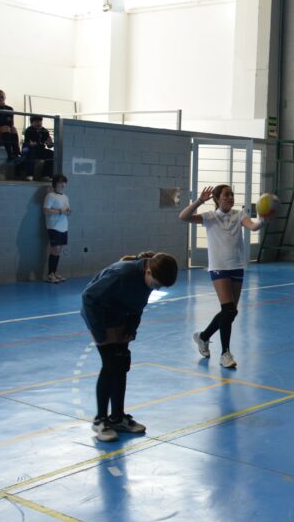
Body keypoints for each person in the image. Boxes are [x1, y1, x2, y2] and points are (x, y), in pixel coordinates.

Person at [81, 251, 178, 442]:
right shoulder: (121, 275)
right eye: (156, 284)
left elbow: (138, 304)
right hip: (100, 315)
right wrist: (100, 333)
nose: (157, 289)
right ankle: (100, 420)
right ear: (148, 272)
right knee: (110, 364)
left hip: (121, 315)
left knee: (122, 363)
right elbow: (89, 298)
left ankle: (118, 417)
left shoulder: (148, 278)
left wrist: (131, 328)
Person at [178, 185, 267, 369]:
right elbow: (183, 217)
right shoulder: (210, 217)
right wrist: (200, 201)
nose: (231, 198)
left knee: (232, 311)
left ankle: (203, 337)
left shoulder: (239, 214)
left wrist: (264, 218)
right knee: (227, 309)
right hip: (219, 268)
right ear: (217, 199)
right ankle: (225, 353)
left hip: (237, 266)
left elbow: (254, 226)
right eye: (226, 195)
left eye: (232, 195)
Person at [43, 175, 71, 283]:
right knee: (55, 249)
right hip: (53, 226)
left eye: (64, 182)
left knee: (59, 251)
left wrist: (67, 212)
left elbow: (66, 210)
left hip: (64, 226)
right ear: (55, 184)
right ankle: (50, 274)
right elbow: (46, 210)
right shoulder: (50, 196)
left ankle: (54, 272)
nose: (63, 184)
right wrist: (60, 211)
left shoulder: (65, 197)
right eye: (61, 182)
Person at [22, 115, 54, 180]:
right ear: (32, 122)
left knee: (52, 154)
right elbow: (27, 143)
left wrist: (50, 143)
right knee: (31, 153)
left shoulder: (45, 131)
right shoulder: (29, 130)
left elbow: (49, 145)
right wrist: (30, 144)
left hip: (41, 150)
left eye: (40, 121)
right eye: (36, 122)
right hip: (31, 149)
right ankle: (29, 174)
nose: (39, 123)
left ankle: (46, 175)